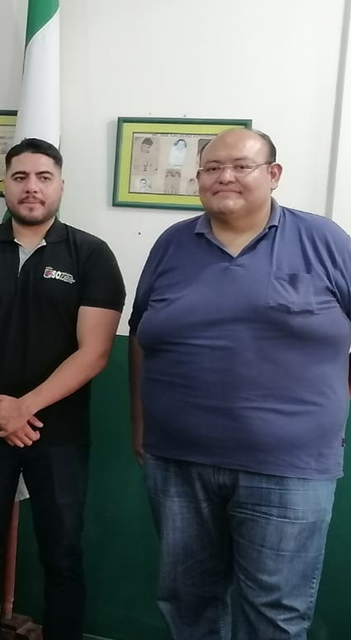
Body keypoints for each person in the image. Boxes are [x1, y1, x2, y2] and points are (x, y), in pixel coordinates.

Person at [130, 128, 351, 640]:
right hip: (178, 461)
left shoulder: (323, 241)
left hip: (289, 469)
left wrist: (324, 408)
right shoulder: (172, 243)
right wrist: (139, 425)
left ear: (272, 175)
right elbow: (142, 335)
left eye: (241, 166)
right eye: (211, 168)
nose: (224, 176)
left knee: (274, 614)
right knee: (188, 605)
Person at [0, 138, 125, 640]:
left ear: (60, 185)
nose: (32, 187)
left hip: (57, 433)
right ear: (6, 184)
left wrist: (23, 408)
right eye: (20, 177)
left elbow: (95, 352)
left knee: (63, 550)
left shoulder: (92, 256)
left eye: (43, 177)